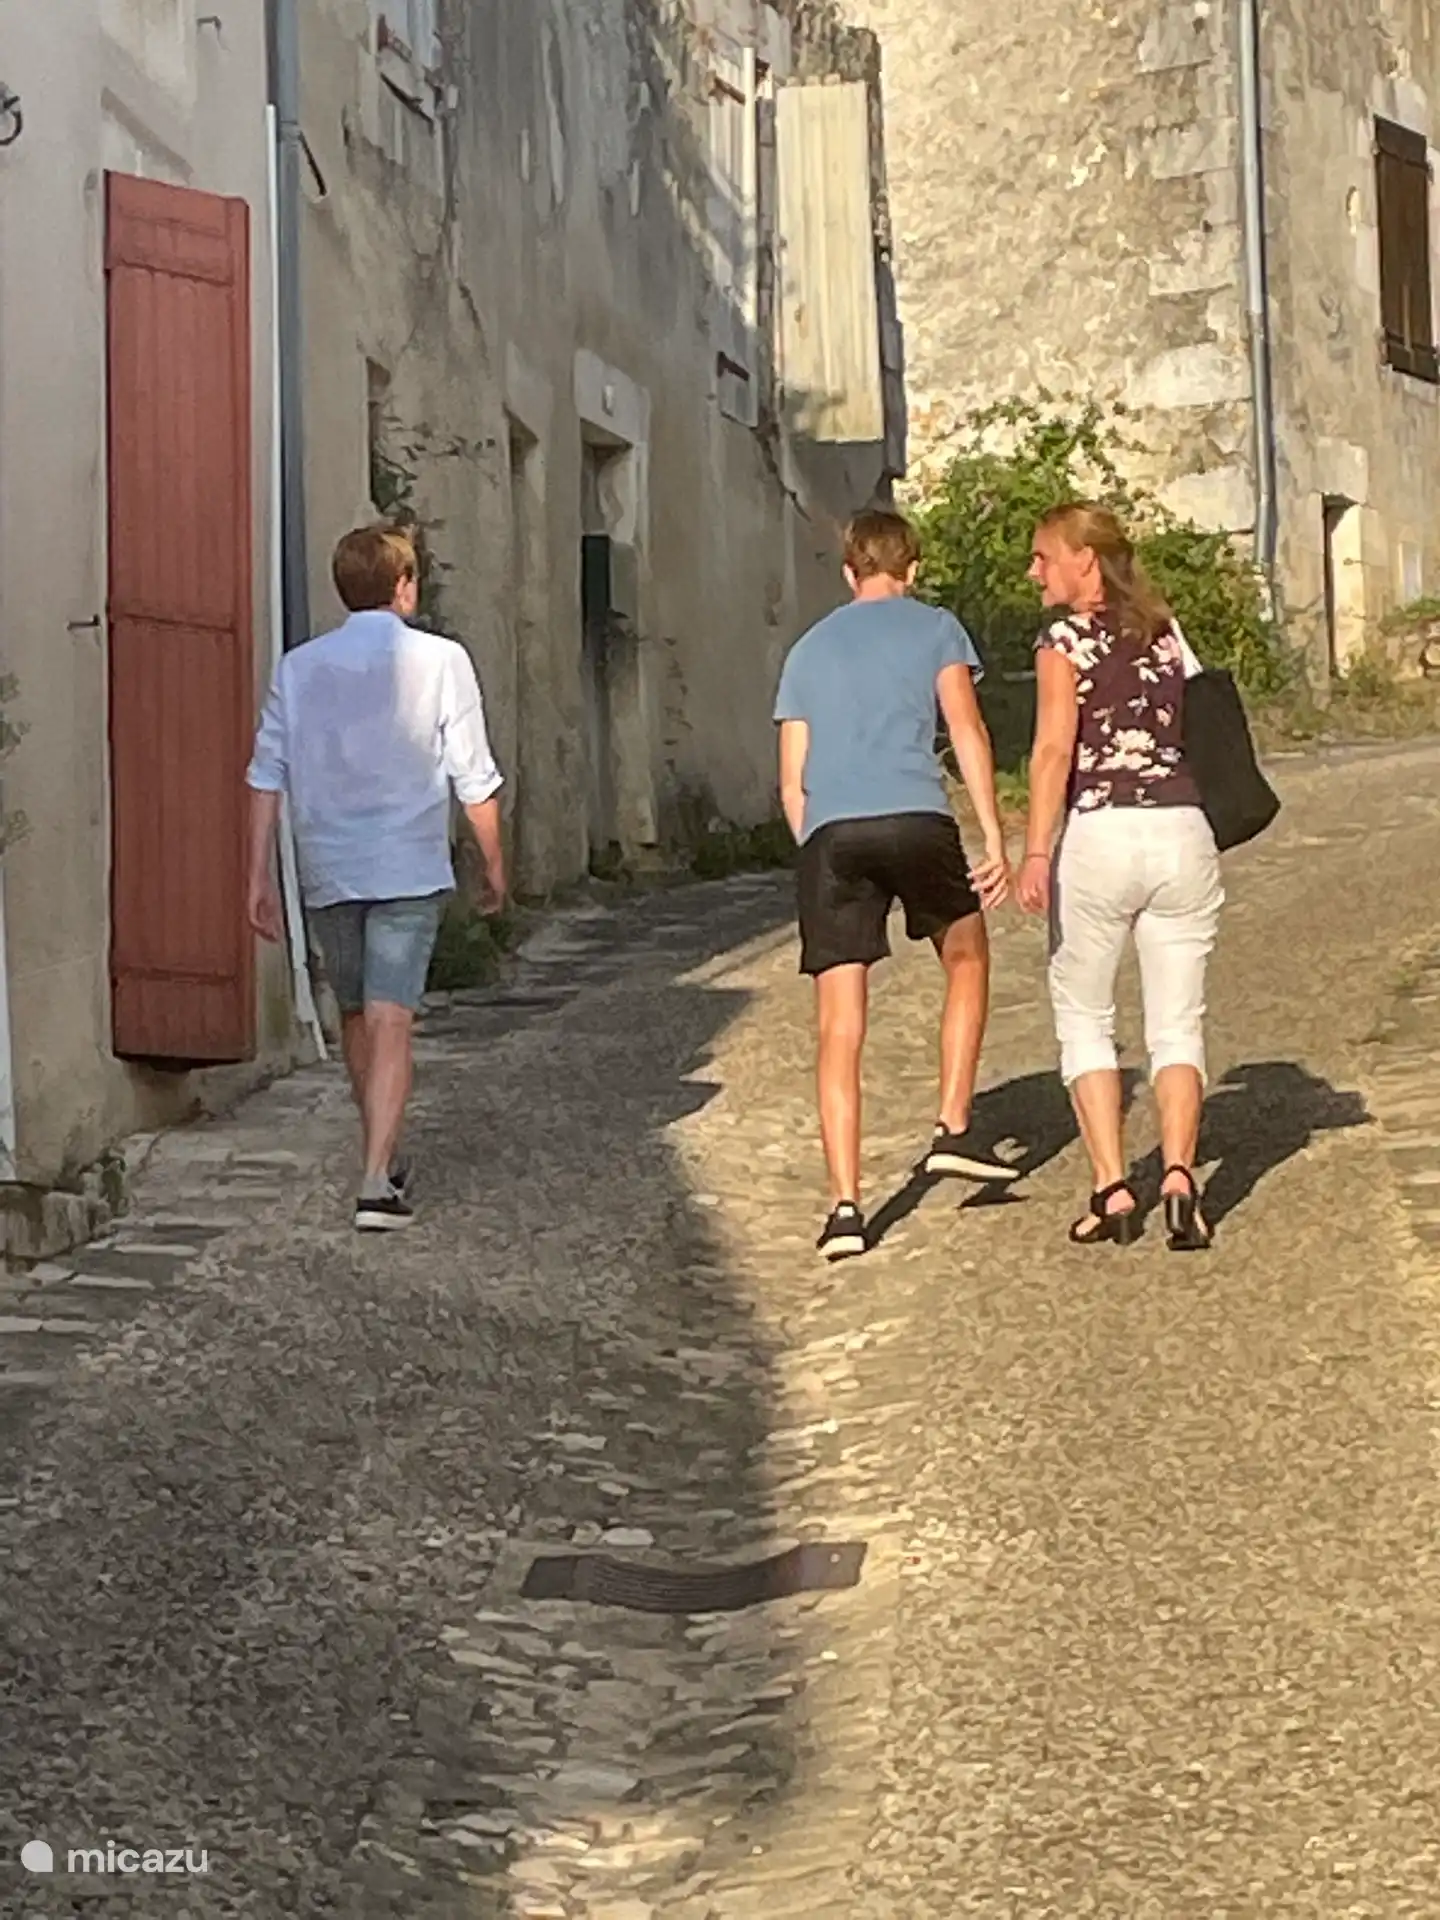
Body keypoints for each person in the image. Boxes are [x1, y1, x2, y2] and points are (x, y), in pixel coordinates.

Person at [246, 524, 507, 1233]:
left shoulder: (299, 668)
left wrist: (258, 877)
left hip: (328, 860)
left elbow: (267, 774)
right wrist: (494, 863)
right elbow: (472, 771)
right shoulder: (443, 660)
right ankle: (373, 1177)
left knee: (359, 1013)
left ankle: (379, 1159)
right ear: (403, 585)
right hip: (405, 860)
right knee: (393, 1018)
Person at [774, 507, 1014, 1262]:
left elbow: (791, 781)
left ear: (849, 571)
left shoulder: (807, 650)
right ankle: (952, 1123)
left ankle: (845, 1207)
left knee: (839, 1027)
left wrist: (818, 847)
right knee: (967, 954)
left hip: (833, 833)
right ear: (911, 569)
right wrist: (994, 835)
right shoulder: (936, 627)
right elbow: (967, 732)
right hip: (915, 814)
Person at [1016, 502, 1222, 1251]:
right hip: (1180, 830)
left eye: (1044, 556)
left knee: (1085, 1018)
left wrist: (1035, 852)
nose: (1034, 570)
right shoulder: (1166, 631)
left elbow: (1050, 753)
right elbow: (1200, 722)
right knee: (1177, 1022)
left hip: (1101, 831)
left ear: (1085, 561)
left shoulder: (1061, 639)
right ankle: (1178, 1176)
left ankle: (1111, 1186)